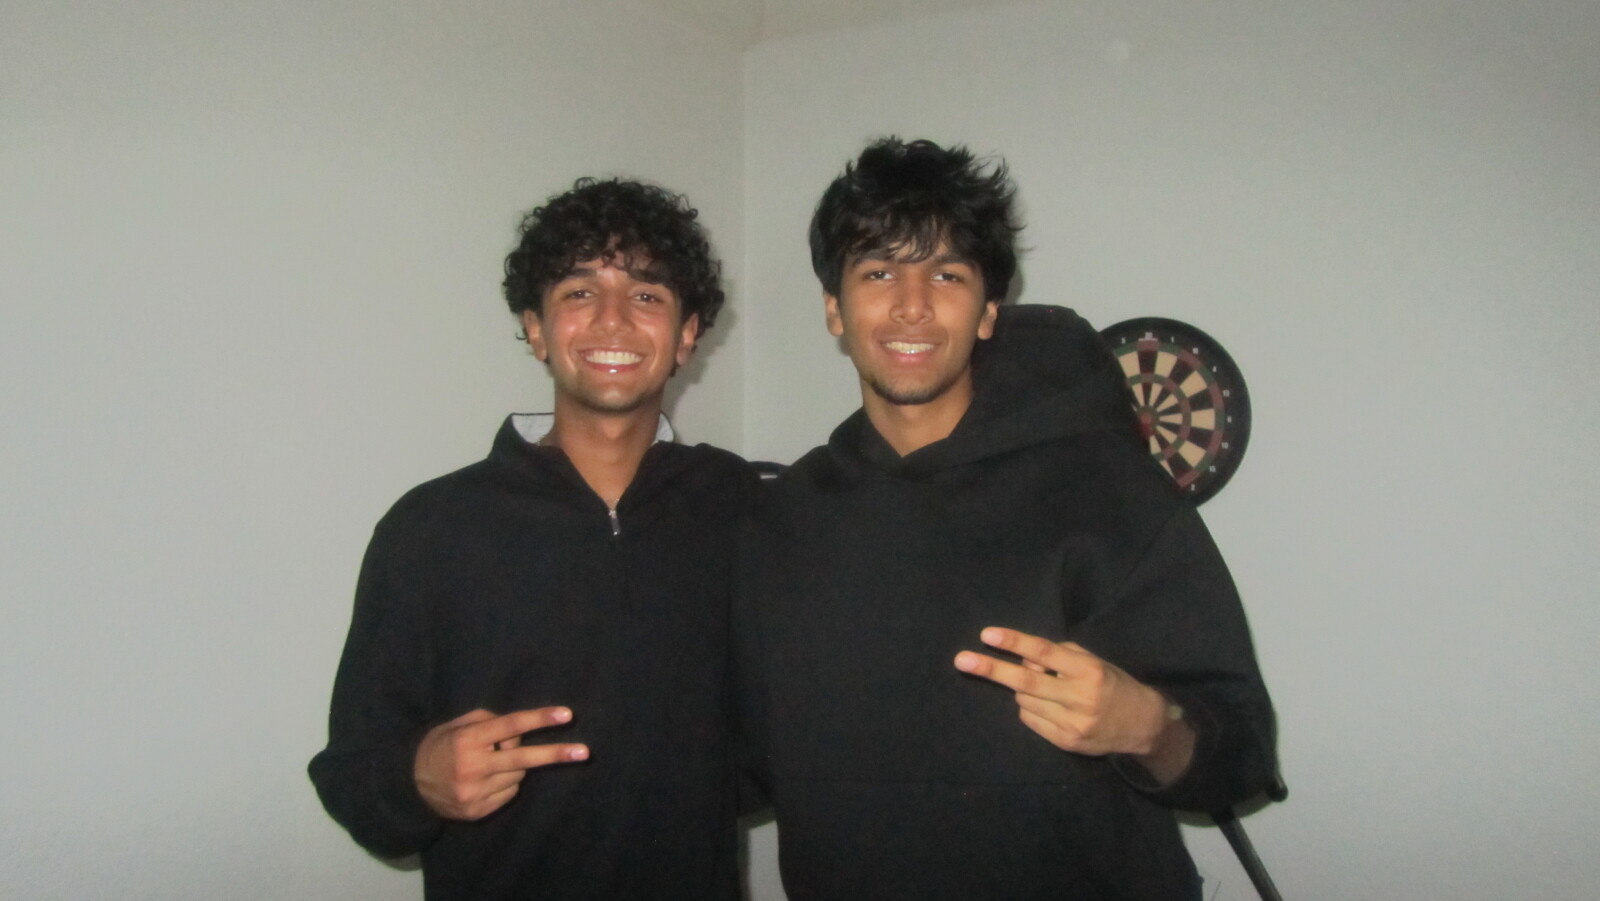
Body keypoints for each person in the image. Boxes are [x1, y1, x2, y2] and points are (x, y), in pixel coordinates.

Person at [735, 138, 1278, 900]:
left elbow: (1241, 751)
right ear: (835, 309)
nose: (912, 304)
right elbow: (746, 756)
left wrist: (1147, 726)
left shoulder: (1105, 489)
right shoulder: (785, 517)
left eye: (947, 274)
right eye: (879, 272)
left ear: (989, 312)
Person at [309, 178, 755, 900]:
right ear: (537, 328)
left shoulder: (740, 506)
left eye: (646, 293)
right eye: (580, 291)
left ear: (686, 334)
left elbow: (793, 723)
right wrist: (417, 779)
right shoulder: (431, 528)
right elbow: (353, 773)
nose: (613, 318)